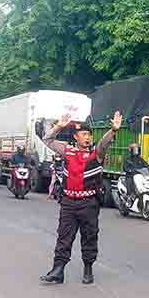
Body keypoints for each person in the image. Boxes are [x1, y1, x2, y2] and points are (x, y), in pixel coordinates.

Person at [39, 111, 122, 285]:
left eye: (89, 135)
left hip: (89, 203)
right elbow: (47, 140)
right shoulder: (67, 151)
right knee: (64, 236)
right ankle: (58, 270)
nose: (88, 137)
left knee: (89, 236)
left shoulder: (96, 154)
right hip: (68, 202)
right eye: (84, 134)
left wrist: (113, 130)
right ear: (76, 137)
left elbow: (103, 143)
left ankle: (88, 269)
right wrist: (59, 126)